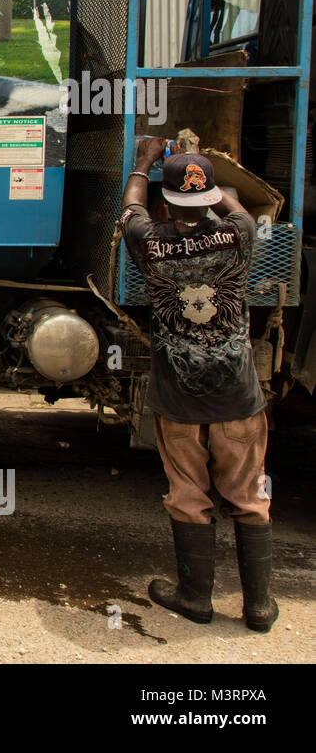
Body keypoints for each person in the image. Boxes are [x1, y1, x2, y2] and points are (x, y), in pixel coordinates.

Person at [119, 136, 277, 633]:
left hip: (179, 395)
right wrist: (211, 177)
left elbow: (129, 209)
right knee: (250, 494)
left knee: (189, 493)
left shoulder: (150, 242)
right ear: (210, 198)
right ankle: (258, 607)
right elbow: (238, 206)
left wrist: (146, 163)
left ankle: (195, 597)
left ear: (168, 201)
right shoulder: (240, 233)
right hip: (238, 394)